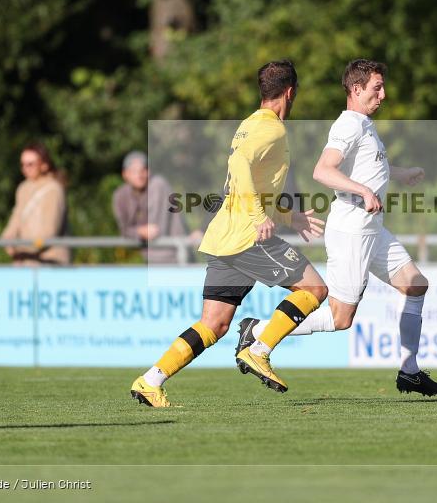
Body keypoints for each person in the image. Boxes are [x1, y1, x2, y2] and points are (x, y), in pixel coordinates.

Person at [236, 59, 437, 397]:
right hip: (352, 227)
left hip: (372, 227)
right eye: (377, 88)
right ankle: (259, 331)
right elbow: (323, 171)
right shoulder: (349, 125)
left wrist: (400, 173)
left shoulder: (365, 124)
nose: (384, 94)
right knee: (340, 319)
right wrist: (363, 191)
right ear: (356, 89)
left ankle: (409, 373)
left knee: (415, 284)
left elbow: (368, 167)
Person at [130, 60, 328, 408]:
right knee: (314, 288)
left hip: (224, 237)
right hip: (247, 238)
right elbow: (240, 170)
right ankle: (260, 350)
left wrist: (287, 216)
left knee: (214, 324)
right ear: (291, 92)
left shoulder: (248, 124)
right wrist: (258, 218)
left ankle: (150, 379)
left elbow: (243, 184)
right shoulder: (273, 129)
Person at [112, 151, 201, 264]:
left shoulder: (158, 185)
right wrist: (140, 232)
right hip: (151, 260)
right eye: (134, 171)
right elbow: (124, 230)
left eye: (143, 170)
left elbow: (156, 231)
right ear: (125, 174)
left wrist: (137, 232)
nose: (139, 175)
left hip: (177, 258)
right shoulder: (120, 195)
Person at [1, 142, 70, 265]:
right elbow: (16, 219)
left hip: (49, 263)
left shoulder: (53, 190)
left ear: (44, 165)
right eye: (23, 164)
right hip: (24, 263)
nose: (25, 168)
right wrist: (7, 239)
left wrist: (22, 247)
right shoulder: (23, 188)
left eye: (30, 164)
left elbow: (50, 231)